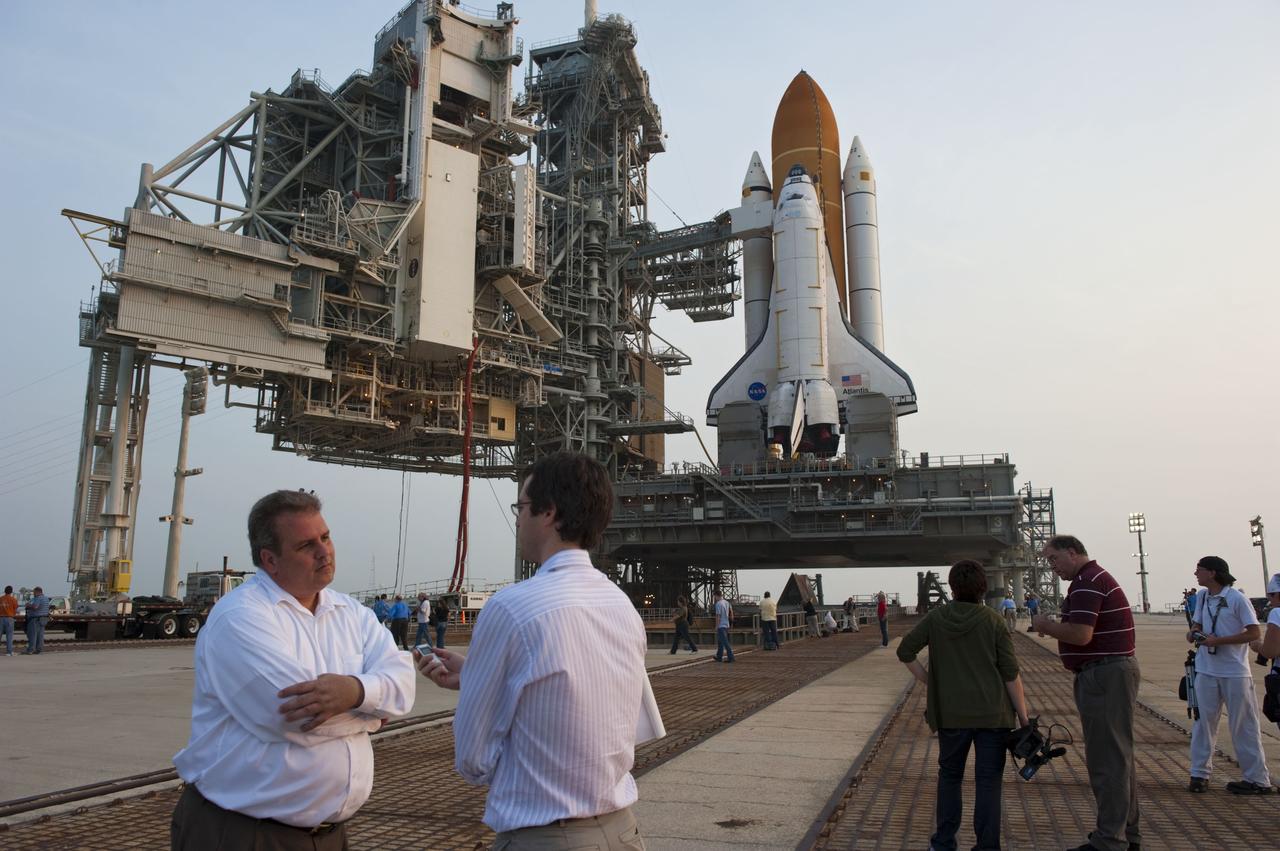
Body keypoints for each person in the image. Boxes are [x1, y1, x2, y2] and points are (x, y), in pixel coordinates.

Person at [415, 452, 651, 849]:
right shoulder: (620, 604)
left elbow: (473, 760)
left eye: (521, 507)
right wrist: (479, 674)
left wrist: (484, 691)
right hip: (621, 831)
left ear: (549, 513)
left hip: (546, 836)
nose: (517, 518)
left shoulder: (510, 608)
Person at [171, 490, 415, 849]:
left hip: (330, 835)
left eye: (326, 537)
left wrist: (355, 692)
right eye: (306, 545)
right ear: (270, 560)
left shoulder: (351, 613)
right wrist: (373, 715)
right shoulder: (240, 618)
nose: (324, 551)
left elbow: (405, 686)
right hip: (245, 833)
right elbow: (292, 717)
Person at [898, 559, 1031, 851]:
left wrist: (931, 681)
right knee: (988, 783)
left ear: (953, 587)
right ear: (983, 588)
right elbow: (1010, 674)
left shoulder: (936, 618)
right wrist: (1023, 718)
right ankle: (986, 846)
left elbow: (905, 650)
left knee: (949, 778)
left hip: (951, 714)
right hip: (993, 716)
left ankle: (944, 843)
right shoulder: (994, 621)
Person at [1031, 535, 1139, 851]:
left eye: (1053, 559)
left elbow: (1080, 634)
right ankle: (1126, 836)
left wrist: (1045, 625)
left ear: (1072, 552)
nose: (1051, 567)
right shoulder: (1092, 579)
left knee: (1108, 761)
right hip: (1109, 672)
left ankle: (1109, 840)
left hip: (1104, 675)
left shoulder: (1087, 582)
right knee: (1119, 758)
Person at [1185, 555, 1272, 794]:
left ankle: (1257, 779)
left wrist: (1220, 641)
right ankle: (1199, 774)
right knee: (1204, 722)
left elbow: (1253, 633)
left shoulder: (1237, 599)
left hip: (1234, 672)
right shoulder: (1202, 597)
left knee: (1244, 725)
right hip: (1206, 669)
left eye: (1199, 570)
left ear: (1212, 573)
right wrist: (1194, 632)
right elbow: (1199, 624)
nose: (1196, 574)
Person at [1249, 574, 1280, 733]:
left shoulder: (1277, 613)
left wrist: (1257, 645)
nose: (1270, 599)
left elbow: (1271, 651)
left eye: (1271, 595)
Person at [23, 586, 50, 655]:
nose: (33, 594)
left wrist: (28, 605)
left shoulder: (38, 598)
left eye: (34, 592)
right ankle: (39, 649)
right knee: (40, 635)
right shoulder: (46, 598)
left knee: (33, 635)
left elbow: (35, 607)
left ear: (38, 592)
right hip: (43, 619)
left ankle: (30, 650)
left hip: (35, 619)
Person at [714, 590, 736, 663]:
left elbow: (718, 616)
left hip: (721, 625)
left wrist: (717, 626)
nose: (715, 598)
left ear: (716, 596)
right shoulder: (727, 602)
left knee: (725, 642)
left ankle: (731, 657)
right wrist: (731, 621)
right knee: (720, 641)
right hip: (726, 625)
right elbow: (731, 612)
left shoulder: (718, 604)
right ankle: (719, 656)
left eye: (715, 596)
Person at [0, 585, 17, 656]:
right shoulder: (13, 599)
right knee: (9, 636)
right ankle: (9, 652)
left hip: (0, 618)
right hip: (10, 618)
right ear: (11, 591)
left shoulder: (0, 599)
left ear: (5, 591)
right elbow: (15, 608)